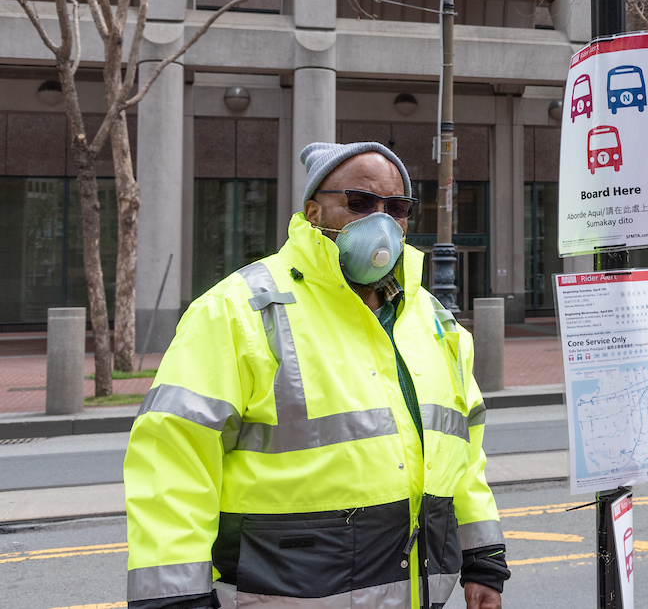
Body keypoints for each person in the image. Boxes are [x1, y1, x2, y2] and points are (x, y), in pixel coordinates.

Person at [124, 142, 509, 609]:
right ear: (313, 211)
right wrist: (175, 598)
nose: (382, 220)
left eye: (398, 207)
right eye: (361, 202)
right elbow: (174, 460)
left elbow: (463, 452)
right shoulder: (237, 311)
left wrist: (482, 556)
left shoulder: (432, 320)